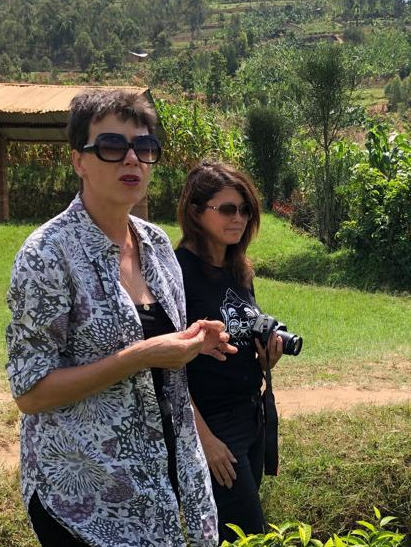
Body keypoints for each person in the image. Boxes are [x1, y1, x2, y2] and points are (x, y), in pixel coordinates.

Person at [5, 89, 236, 547]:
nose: (131, 158)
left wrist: (192, 340)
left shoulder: (156, 244)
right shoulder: (48, 254)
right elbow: (30, 392)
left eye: (144, 148)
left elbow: (159, 351)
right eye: (112, 146)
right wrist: (141, 355)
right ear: (79, 161)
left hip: (172, 490)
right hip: (89, 501)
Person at [174, 161, 284, 544]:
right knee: (247, 535)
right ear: (195, 211)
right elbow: (169, 371)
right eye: (226, 209)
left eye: (245, 209)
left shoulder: (239, 268)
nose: (238, 218)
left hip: (250, 417)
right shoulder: (178, 273)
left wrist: (266, 357)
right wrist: (203, 439)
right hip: (213, 425)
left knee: (241, 534)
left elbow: (239, 337)